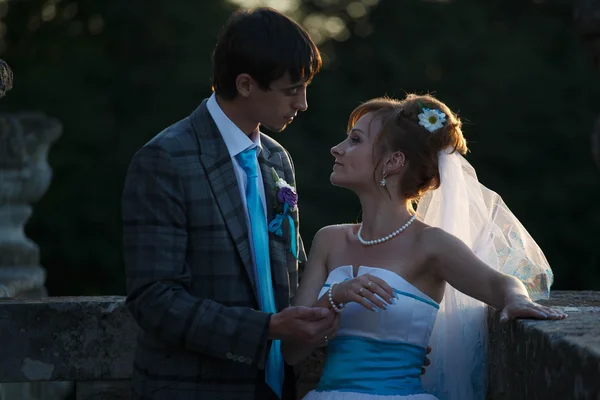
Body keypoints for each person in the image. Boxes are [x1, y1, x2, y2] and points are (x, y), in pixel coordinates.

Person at [283, 94, 567, 400]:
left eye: (355, 140)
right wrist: (335, 296)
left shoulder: (430, 244)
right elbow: (291, 351)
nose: (336, 149)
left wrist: (516, 299)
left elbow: (501, 285)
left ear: (393, 162)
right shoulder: (329, 239)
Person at [122, 8, 340, 400]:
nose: (304, 104)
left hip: (278, 387)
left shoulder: (277, 159)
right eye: (292, 90)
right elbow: (154, 300)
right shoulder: (165, 160)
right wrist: (268, 328)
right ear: (245, 84)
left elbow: (297, 272)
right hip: (194, 389)